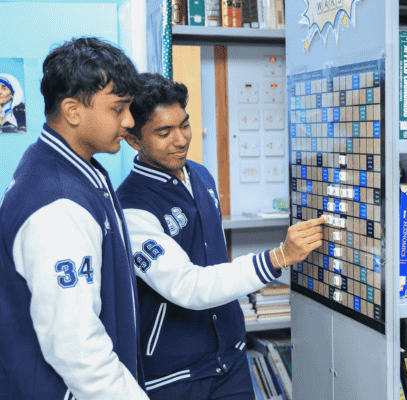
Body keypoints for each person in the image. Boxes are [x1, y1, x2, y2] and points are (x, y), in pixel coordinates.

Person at [117, 72, 323, 399]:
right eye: (164, 132)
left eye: (184, 125)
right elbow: (188, 285)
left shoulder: (200, 175)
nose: (181, 139)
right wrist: (279, 257)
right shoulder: (131, 208)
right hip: (174, 375)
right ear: (133, 140)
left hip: (230, 359)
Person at [0, 37, 149, 399]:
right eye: (118, 109)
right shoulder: (59, 202)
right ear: (72, 111)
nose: (129, 121)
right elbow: (78, 349)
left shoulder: (63, 168)